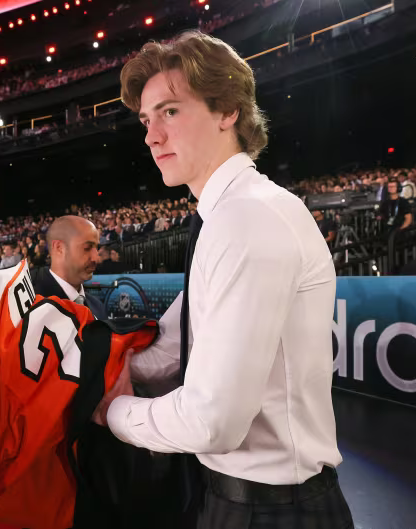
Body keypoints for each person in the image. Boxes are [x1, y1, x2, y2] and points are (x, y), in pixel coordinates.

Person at [99, 31, 352, 528]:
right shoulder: (228, 215)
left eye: (170, 111)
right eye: (147, 121)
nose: (152, 136)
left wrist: (111, 412)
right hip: (246, 499)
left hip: (275, 509)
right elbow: (174, 349)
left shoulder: (247, 218)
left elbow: (212, 422)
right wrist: (90, 362)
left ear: (228, 110)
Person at [29, 216, 107, 320]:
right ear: (59, 248)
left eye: (96, 248)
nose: (96, 258)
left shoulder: (98, 307)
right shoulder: (30, 306)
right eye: (87, 248)